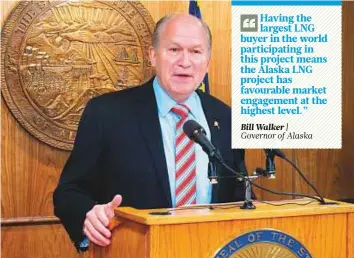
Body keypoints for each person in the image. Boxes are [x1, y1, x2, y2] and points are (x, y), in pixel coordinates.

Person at [53, 13, 247, 251]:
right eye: (174, 49)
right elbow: (69, 192)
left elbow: (239, 193)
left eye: (196, 52)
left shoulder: (225, 118)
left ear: (207, 62)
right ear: (153, 56)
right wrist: (88, 215)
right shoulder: (106, 113)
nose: (185, 62)